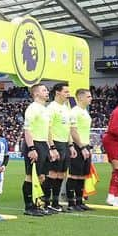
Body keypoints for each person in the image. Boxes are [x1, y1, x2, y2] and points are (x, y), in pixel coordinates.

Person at [22, 83, 52, 215]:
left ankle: (39, 204)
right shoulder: (32, 108)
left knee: (41, 177)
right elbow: (27, 130)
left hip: (43, 145)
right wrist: (31, 148)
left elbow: (46, 131)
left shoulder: (44, 109)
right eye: (44, 90)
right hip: (34, 144)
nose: (47, 92)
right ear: (36, 94)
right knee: (30, 176)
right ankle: (29, 206)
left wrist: (51, 148)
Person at [44, 83, 73, 212]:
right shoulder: (51, 108)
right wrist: (52, 146)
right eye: (66, 92)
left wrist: (71, 144)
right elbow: (48, 128)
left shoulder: (66, 108)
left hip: (65, 144)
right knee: (52, 174)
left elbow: (69, 129)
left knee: (61, 174)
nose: (68, 94)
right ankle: (46, 202)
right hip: (55, 143)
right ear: (57, 92)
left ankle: (55, 202)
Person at [66, 88, 94, 211]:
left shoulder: (84, 112)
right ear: (80, 98)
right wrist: (81, 147)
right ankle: (71, 203)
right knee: (74, 175)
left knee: (83, 175)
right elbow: (73, 131)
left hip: (85, 145)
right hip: (78, 146)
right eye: (88, 96)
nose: (91, 98)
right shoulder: (75, 112)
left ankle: (79, 201)